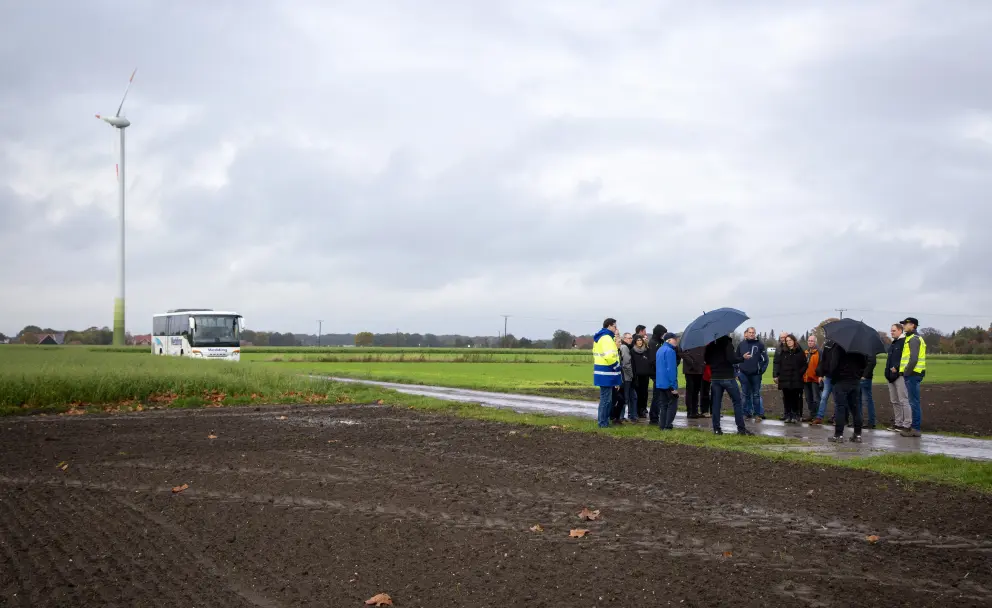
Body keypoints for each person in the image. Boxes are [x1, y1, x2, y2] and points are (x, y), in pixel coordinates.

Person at [704, 334, 754, 435]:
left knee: (716, 404)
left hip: (715, 378)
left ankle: (716, 429)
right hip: (728, 377)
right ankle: (741, 429)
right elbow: (732, 359)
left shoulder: (710, 346)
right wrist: (742, 358)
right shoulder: (727, 343)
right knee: (737, 402)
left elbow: (707, 360)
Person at [821, 339, 866, 443]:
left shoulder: (838, 346)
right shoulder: (859, 347)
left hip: (841, 381)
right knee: (856, 408)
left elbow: (833, 365)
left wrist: (832, 375)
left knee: (840, 408)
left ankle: (839, 435)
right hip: (855, 381)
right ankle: (857, 434)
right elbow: (864, 364)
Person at [898, 317, 926, 437]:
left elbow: (913, 359)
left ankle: (915, 429)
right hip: (913, 374)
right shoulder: (911, 338)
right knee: (913, 401)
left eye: (906, 324)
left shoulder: (914, 339)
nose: (904, 326)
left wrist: (906, 372)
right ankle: (915, 428)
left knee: (913, 402)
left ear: (913, 325)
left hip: (913, 374)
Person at [592, 318, 622, 428]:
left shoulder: (600, 337)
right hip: (606, 372)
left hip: (602, 372)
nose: (616, 328)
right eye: (614, 326)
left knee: (606, 399)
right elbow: (609, 356)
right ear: (609, 326)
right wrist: (617, 367)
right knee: (606, 400)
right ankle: (603, 423)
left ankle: (603, 422)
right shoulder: (606, 338)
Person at [736, 327, 769, 422]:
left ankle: (758, 414)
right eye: (750, 332)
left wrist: (760, 371)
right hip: (743, 374)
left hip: (755, 375)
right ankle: (746, 413)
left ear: (755, 334)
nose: (751, 334)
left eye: (753, 332)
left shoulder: (760, 345)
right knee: (745, 395)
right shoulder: (741, 344)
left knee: (756, 395)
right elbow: (736, 359)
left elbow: (765, 360)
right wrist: (737, 372)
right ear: (746, 333)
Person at [773, 334, 807, 423]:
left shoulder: (799, 352)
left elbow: (804, 364)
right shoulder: (783, 352)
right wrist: (778, 374)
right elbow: (778, 363)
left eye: (790, 340)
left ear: (794, 341)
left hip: (796, 379)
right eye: (787, 341)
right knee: (787, 397)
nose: (788, 342)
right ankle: (788, 415)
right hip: (785, 378)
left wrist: (799, 373)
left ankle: (795, 415)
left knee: (795, 397)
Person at [885, 323, 911, 432]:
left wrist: (898, 368)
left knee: (903, 400)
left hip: (900, 376)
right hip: (890, 376)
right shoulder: (893, 343)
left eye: (894, 330)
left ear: (900, 330)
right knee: (894, 401)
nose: (891, 332)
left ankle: (907, 424)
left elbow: (907, 358)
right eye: (891, 331)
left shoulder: (904, 342)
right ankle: (898, 423)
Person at [655, 333, 680, 430]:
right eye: (674, 339)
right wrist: (673, 386)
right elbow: (671, 369)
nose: (676, 341)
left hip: (660, 382)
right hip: (668, 383)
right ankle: (668, 425)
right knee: (672, 404)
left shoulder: (660, 350)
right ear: (668, 340)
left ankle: (662, 425)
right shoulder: (670, 351)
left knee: (663, 405)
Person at [811, 337, 836, 425]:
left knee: (837, 399)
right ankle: (819, 417)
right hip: (828, 377)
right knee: (824, 397)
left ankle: (836, 418)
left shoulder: (841, 346)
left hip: (837, 378)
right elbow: (823, 360)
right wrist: (821, 374)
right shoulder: (827, 345)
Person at [647, 324, 668, 424]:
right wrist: (661, 370)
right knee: (657, 396)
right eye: (663, 333)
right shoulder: (653, 343)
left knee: (659, 396)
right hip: (656, 373)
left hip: (659, 373)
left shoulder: (659, 343)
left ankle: (656, 415)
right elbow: (653, 360)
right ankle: (654, 417)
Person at [680, 344, 707, 419]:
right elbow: (681, 352)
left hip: (700, 369)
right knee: (690, 391)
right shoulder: (686, 342)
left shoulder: (703, 343)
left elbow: (705, 353)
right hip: (690, 370)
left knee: (696, 391)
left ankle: (695, 411)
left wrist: (704, 362)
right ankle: (690, 411)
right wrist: (691, 362)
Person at [631, 336, 651, 423]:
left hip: (645, 376)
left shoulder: (646, 351)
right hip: (636, 376)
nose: (639, 342)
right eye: (638, 340)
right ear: (635, 341)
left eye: (641, 340)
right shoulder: (632, 351)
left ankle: (643, 410)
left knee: (644, 393)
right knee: (637, 394)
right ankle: (636, 411)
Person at [619, 332, 637, 423]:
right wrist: (631, 375)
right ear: (624, 339)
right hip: (626, 377)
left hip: (627, 376)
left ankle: (632, 415)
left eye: (631, 338)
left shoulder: (627, 347)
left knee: (633, 396)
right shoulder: (625, 347)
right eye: (628, 338)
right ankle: (621, 417)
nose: (631, 340)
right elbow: (626, 363)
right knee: (625, 397)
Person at [802, 335, 821, 422]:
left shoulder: (819, 352)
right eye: (809, 341)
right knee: (808, 398)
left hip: (815, 379)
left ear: (815, 342)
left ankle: (816, 416)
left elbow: (822, 364)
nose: (810, 342)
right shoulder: (806, 352)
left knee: (816, 398)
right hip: (806, 379)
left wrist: (819, 375)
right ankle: (811, 414)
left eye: (812, 341)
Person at [858, 353, 877, 429]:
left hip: (865, 378)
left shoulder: (869, 349)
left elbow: (872, 362)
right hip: (859, 377)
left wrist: (864, 375)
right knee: (859, 400)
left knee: (867, 400)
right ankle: (859, 420)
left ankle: (871, 421)